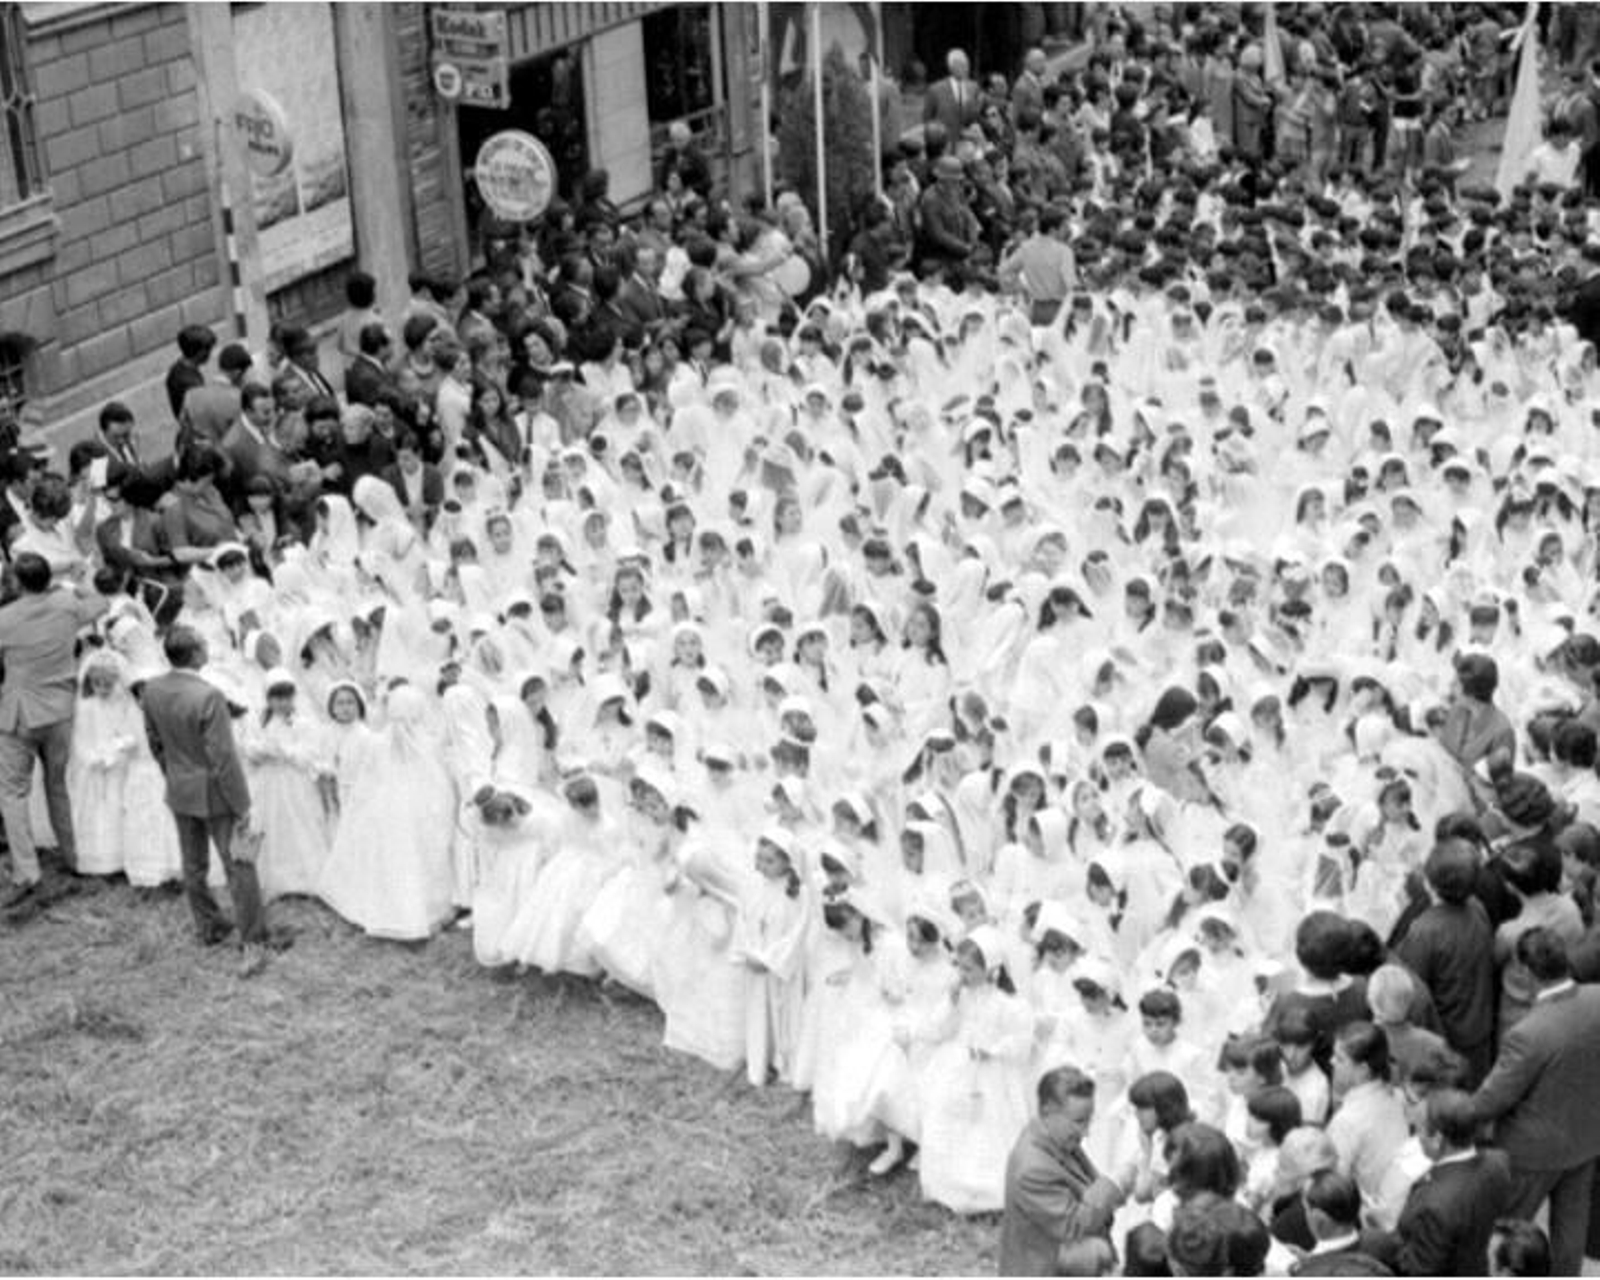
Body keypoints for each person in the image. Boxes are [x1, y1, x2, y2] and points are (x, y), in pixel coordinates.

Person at [139, 625, 272, 977]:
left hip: (180, 787)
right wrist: (242, 804)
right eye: (204, 644)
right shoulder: (209, 695)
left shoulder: (152, 689)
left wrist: (173, 773)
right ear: (196, 653)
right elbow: (223, 757)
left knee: (193, 864)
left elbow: (154, 741)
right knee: (240, 865)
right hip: (215, 790)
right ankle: (253, 940)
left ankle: (209, 926)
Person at [1471, 927, 1600, 1276]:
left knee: (1509, 1233)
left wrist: (1458, 1110)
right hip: (1587, 1136)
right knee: (1572, 1227)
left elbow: (1493, 1099)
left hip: (1531, 1152)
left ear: (1526, 974)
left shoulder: (1527, 1034)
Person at [0, 552, 106, 907]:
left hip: (18, 714)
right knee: (59, 786)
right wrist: (72, 583)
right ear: (48, 578)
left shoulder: (5, 618)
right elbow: (100, 601)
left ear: (16, 583)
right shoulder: (66, 604)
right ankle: (74, 856)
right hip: (60, 709)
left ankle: (27, 871)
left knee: (12, 794)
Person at [1000, 1066, 1124, 1276]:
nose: (1086, 1132)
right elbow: (1074, 1227)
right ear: (1048, 1111)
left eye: (1088, 1120)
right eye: (1079, 1121)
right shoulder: (1033, 1169)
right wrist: (1115, 1184)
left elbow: (1088, 1187)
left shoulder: (1055, 1138)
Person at [1394, 1087, 1514, 1276]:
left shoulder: (1434, 1205)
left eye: (1419, 1131)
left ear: (1437, 1140)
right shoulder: (1498, 1162)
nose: (1417, 1139)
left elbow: (1419, 1270)